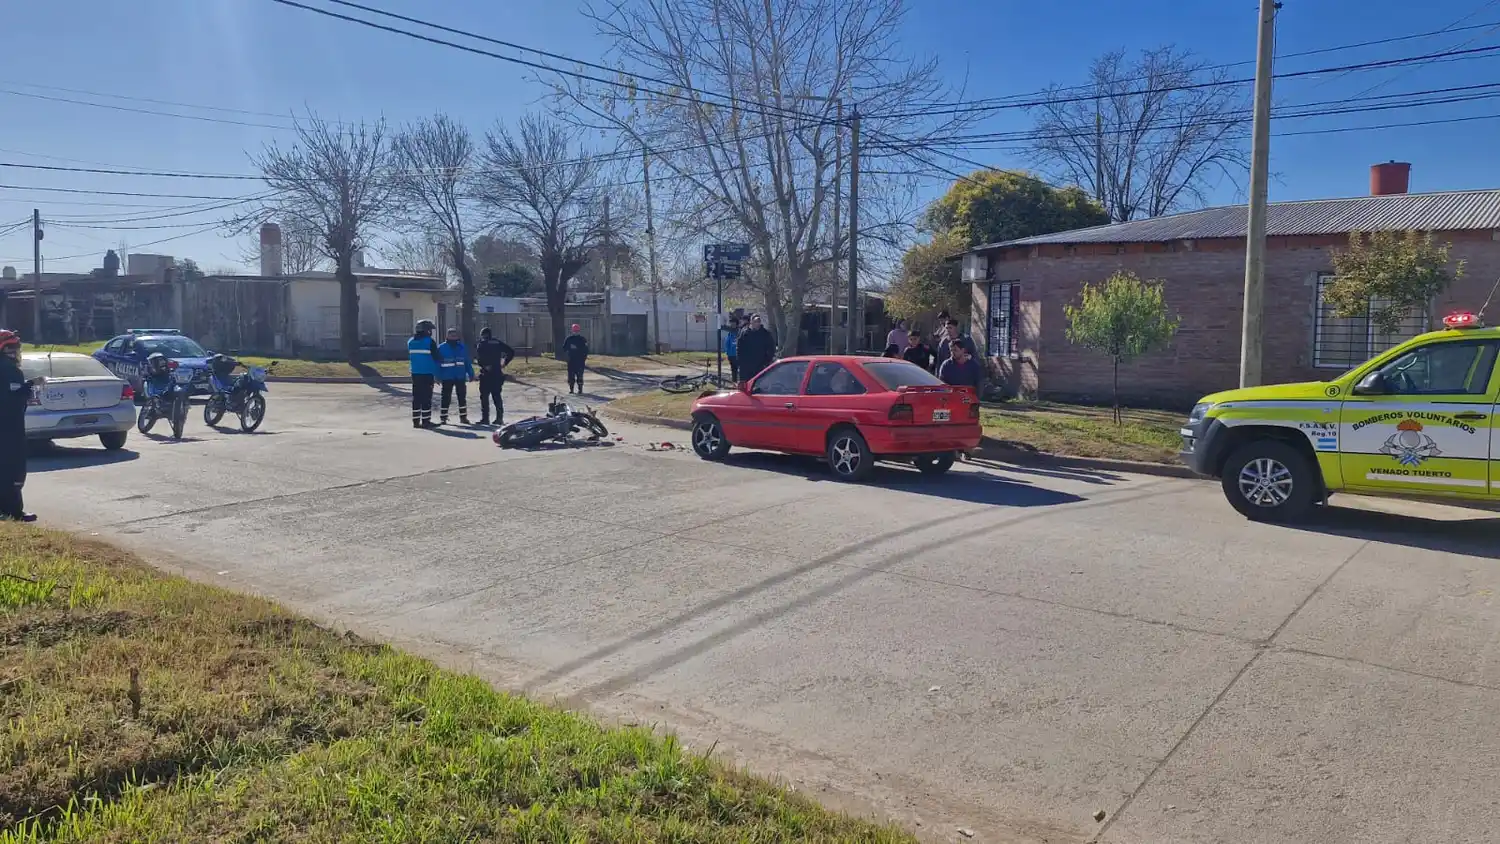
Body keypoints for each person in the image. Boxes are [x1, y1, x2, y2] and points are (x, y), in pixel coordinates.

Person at [0, 330, 41, 522]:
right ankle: (13, 511)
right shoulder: (10, 371)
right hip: (9, 428)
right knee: (13, 469)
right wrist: (30, 386)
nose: (18, 352)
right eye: (15, 347)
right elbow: (11, 400)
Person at [474, 327, 515, 427]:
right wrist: (505, 362)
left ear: (482, 335)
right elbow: (511, 351)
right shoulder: (497, 342)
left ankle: (485, 418)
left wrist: (484, 366)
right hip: (497, 373)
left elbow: (480, 359)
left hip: (486, 374)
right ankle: (499, 418)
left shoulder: (481, 344)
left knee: (484, 397)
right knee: (497, 396)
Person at [407, 319, 442, 429]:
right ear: (426, 330)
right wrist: (438, 375)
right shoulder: (430, 342)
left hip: (415, 373)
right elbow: (436, 359)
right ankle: (426, 421)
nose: (430, 332)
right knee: (426, 398)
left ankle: (416, 421)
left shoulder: (410, 342)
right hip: (427, 373)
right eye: (429, 329)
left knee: (416, 397)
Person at [437, 327, 475, 425]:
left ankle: (463, 417)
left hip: (460, 376)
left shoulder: (462, 347)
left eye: (455, 335)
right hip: (447, 376)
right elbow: (437, 363)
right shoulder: (441, 348)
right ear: (447, 336)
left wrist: (471, 374)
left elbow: (467, 361)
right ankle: (443, 417)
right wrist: (437, 376)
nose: (453, 337)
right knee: (446, 398)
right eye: (451, 335)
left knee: (462, 397)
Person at [735, 314, 776, 383]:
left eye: (758, 322)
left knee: (759, 384)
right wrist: (740, 362)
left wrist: (767, 362)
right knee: (746, 384)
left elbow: (771, 349)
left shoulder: (765, 334)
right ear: (751, 322)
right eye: (755, 321)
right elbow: (739, 348)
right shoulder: (745, 333)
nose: (757, 323)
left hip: (760, 366)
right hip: (746, 367)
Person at [562, 323, 589, 394]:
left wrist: (583, 358)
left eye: (577, 331)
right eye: (574, 331)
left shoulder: (582, 339)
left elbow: (586, 350)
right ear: (572, 331)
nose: (575, 332)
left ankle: (580, 389)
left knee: (580, 375)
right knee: (571, 375)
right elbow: (564, 348)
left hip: (580, 361)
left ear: (579, 331)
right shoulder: (569, 339)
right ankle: (571, 389)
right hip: (571, 361)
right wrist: (567, 356)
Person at [723, 318, 740, 383]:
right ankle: (734, 382)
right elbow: (727, 343)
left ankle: (741, 383)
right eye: (731, 323)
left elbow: (736, 342)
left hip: (737, 355)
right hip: (730, 355)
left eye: (733, 323)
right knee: (733, 370)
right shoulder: (730, 333)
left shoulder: (738, 332)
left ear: (736, 324)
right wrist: (727, 353)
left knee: (739, 370)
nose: (732, 324)